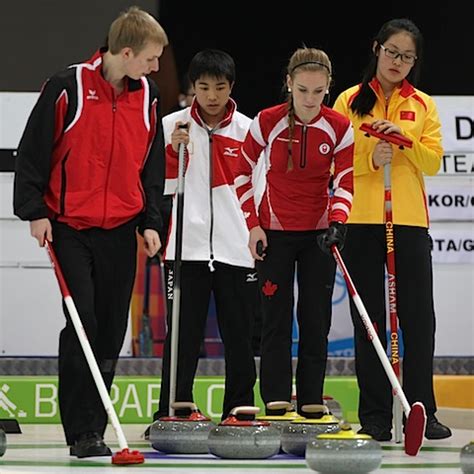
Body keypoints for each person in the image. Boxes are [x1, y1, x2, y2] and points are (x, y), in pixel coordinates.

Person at [13, 6, 168, 457]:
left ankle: (96, 430)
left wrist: (151, 220)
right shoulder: (68, 87)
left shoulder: (149, 95)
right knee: (82, 321)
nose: (156, 68)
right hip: (70, 227)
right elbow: (34, 149)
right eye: (151, 58)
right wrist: (34, 211)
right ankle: (80, 431)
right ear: (125, 51)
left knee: (110, 330)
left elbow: (151, 164)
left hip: (121, 230)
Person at [333, 18, 452, 441]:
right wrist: (370, 157)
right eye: (392, 52)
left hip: (408, 220)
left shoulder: (422, 104)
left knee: (418, 318)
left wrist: (405, 141)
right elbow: (336, 160)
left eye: (407, 56)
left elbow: (434, 161)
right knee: (370, 322)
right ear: (376, 48)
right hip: (362, 220)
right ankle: (377, 418)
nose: (398, 61)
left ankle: (424, 411)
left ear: (414, 61)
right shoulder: (349, 99)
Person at [234, 47, 354, 417]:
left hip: (319, 235)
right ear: (288, 83)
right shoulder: (266, 122)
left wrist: (338, 219)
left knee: (316, 319)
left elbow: (347, 178)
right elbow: (241, 172)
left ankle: (311, 397)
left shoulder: (339, 126)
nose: (310, 100)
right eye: (302, 90)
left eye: (318, 92)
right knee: (275, 319)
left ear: (328, 88)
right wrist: (253, 224)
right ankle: (275, 395)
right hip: (275, 232)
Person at [153, 49, 258, 422]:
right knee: (182, 335)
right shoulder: (171, 126)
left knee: (240, 335)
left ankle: (240, 410)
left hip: (237, 249)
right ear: (191, 88)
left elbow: (259, 189)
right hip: (186, 248)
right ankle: (173, 407)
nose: (212, 96)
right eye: (203, 87)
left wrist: (255, 235)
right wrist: (172, 153)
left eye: (220, 87)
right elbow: (158, 187)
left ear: (231, 87)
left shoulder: (249, 130)